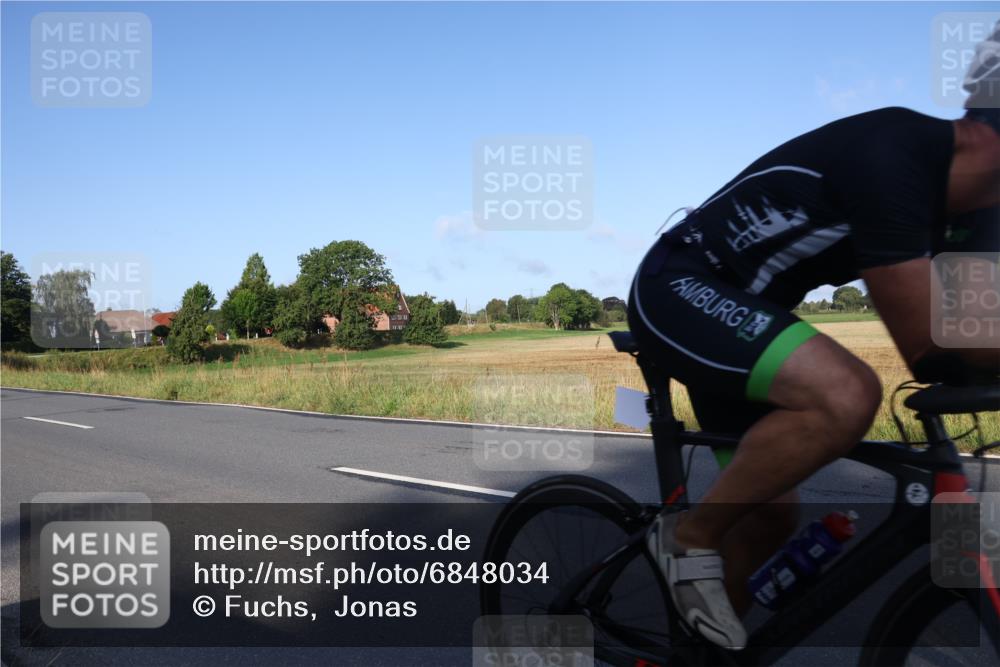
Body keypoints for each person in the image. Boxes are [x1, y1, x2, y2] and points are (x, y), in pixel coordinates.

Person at [627, 26, 1000, 650]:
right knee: (847, 394)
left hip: (747, 315)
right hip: (681, 285)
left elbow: (976, 342)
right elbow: (932, 348)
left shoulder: (982, 212)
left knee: (769, 513)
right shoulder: (897, 152)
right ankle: (685, 538)